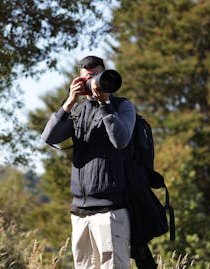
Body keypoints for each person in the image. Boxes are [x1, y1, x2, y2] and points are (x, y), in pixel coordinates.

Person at [41, 56, 136, 269]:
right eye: (87, 79)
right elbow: (48, 137)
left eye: (97, 77)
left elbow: (121, 140)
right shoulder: (78, 110)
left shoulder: (122, 107)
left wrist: (105, 104)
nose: (94, 82)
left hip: (110, 210)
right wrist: (69, 103)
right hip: (80, 212)